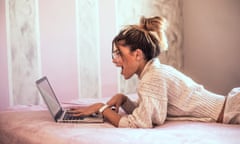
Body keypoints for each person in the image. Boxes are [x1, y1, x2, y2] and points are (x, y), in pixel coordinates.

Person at [69, 16, 240, 128]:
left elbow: (139, 123)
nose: (115, 60)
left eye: (119, 54)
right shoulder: (153, 73)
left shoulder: (153, 77)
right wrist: (124, 100)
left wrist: (101, 108)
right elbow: (150, 110)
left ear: (137, 54)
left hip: (234, 108)